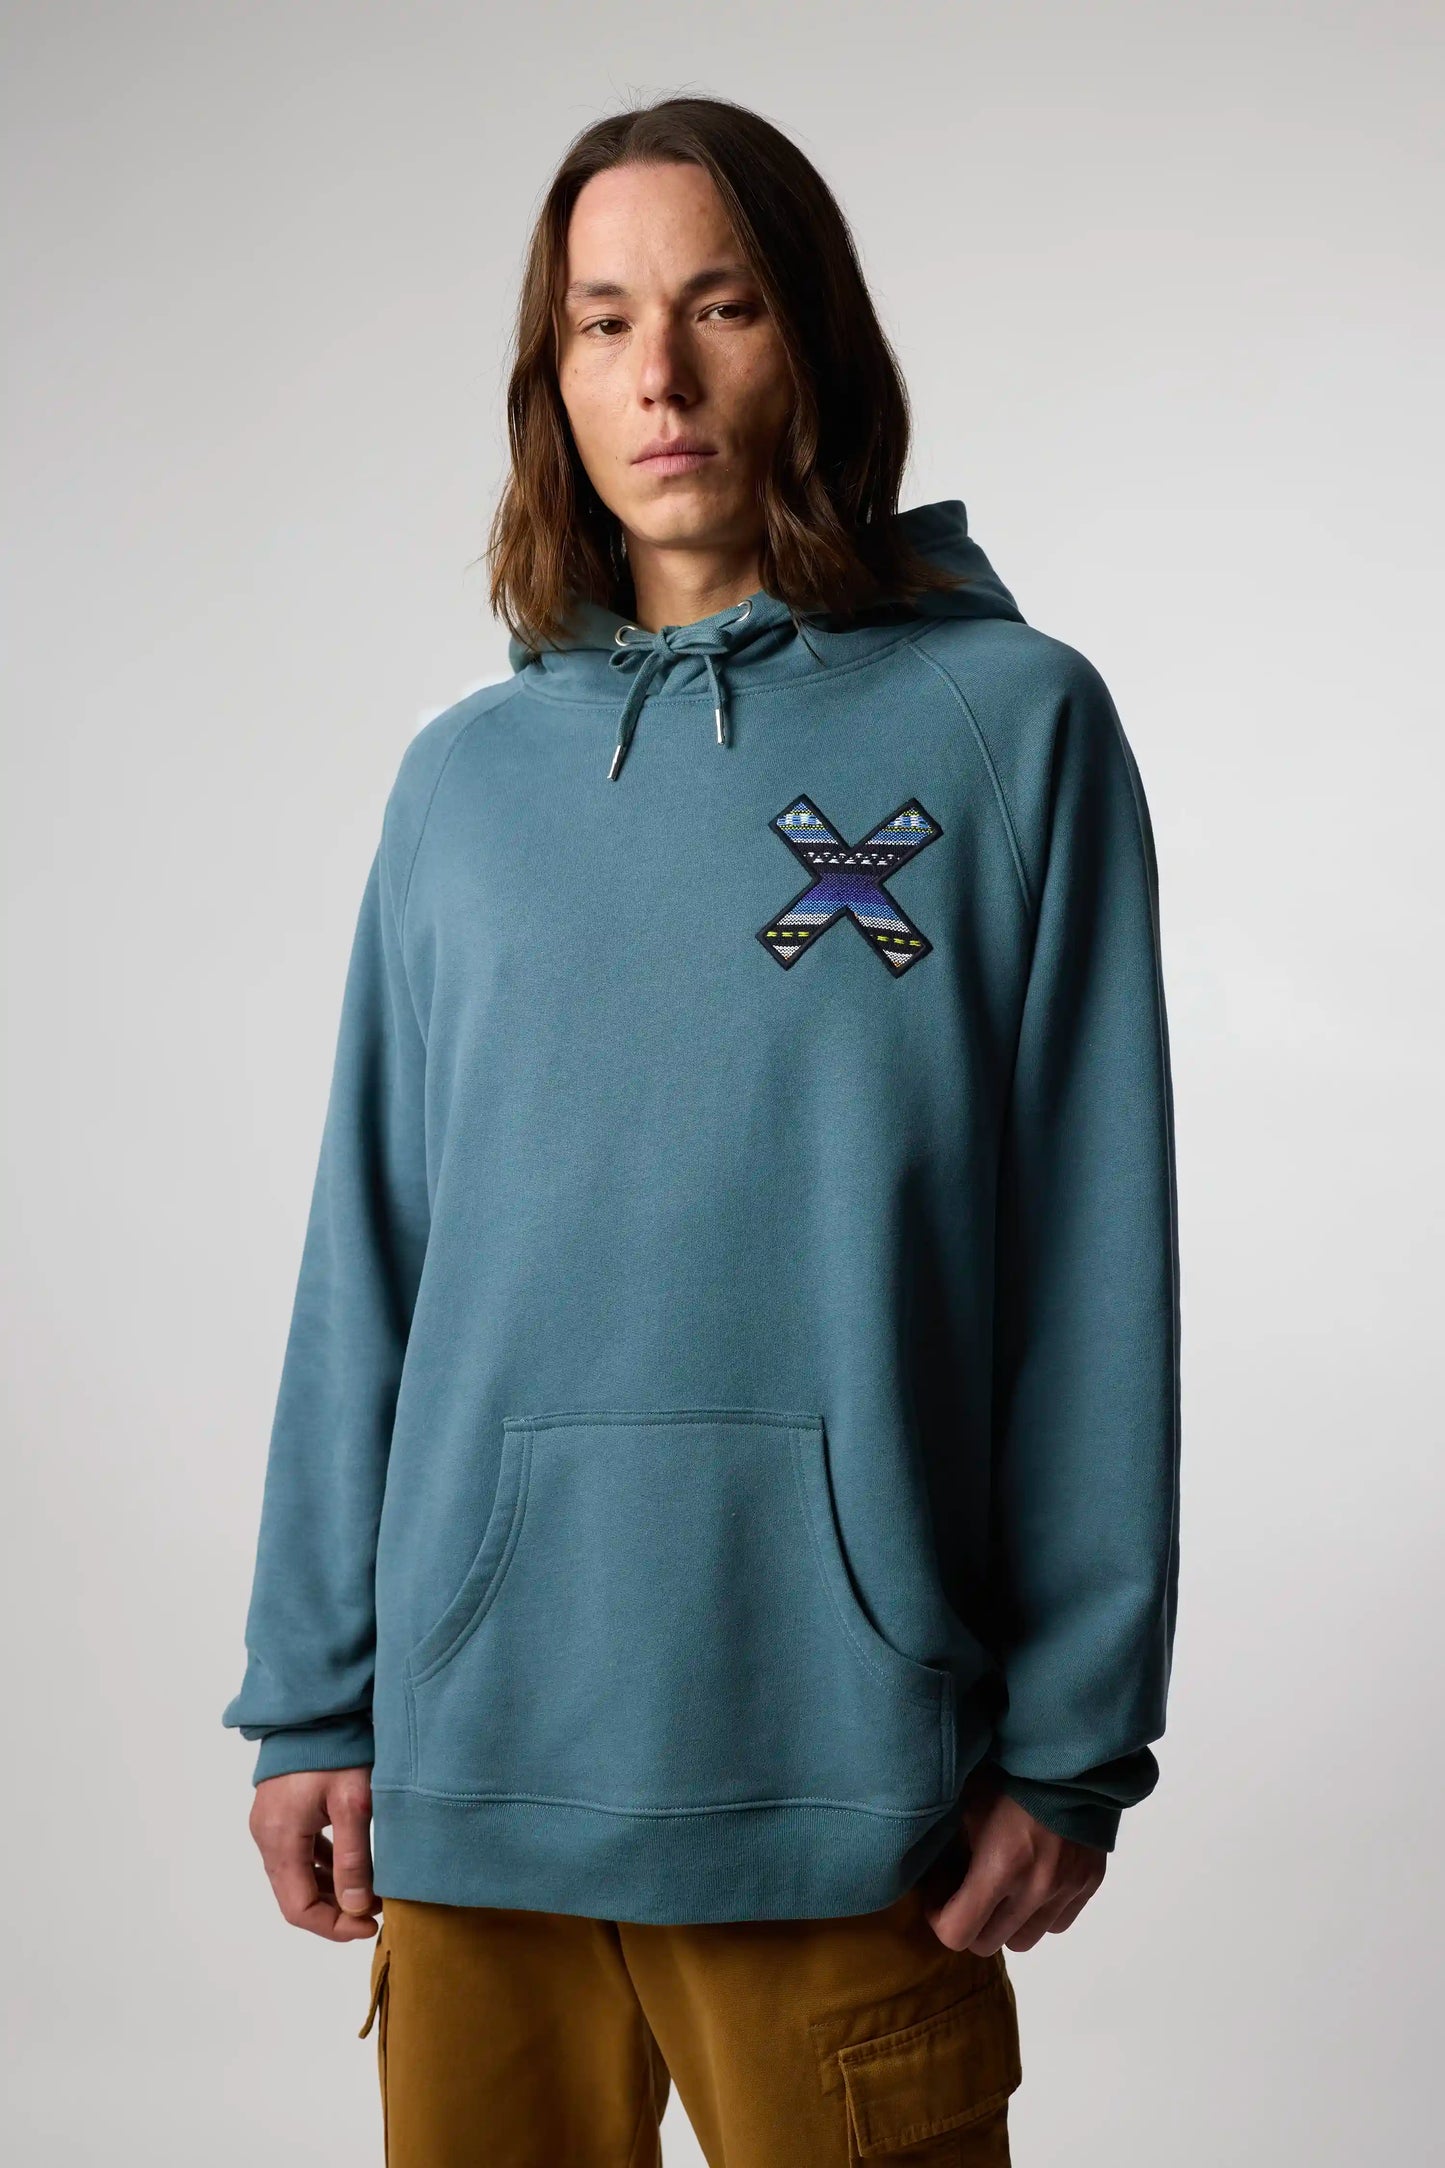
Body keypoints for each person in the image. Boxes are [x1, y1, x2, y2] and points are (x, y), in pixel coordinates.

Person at [222, 92, 1181, 2168]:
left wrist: (1076, 1739)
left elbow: (1095, 1258)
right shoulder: (462, 782)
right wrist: (313, 1690)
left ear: (811, 341)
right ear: (551, 378)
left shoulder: (1011, 727)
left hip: (851, 1780)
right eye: (601, 322)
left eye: (719, 306)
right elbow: (369, 1253)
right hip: (475, 1787)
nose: (657, 375)